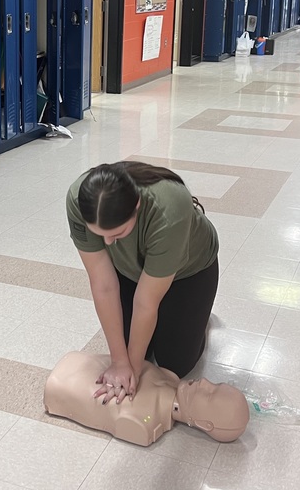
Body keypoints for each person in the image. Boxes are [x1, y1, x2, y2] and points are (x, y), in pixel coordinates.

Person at [65, 161, 219, 404]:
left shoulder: (169, 208)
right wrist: (119, 362)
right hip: (130, 270)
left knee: (175, 364)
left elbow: (146, 302)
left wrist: (132, 370)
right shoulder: (79, 199)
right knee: (130, 348)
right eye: (100, 234)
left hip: (188, 271)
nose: (107, 242)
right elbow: (103, 284)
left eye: (117, 233)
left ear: (136, 205)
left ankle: (202, 318)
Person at [44, 351, 248, 445]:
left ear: (205, 424)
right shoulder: (171, 378)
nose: (204, 382)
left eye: (210, 394)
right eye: (215, 385)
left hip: (60, 383)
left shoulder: (146, 422)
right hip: (84, 367)